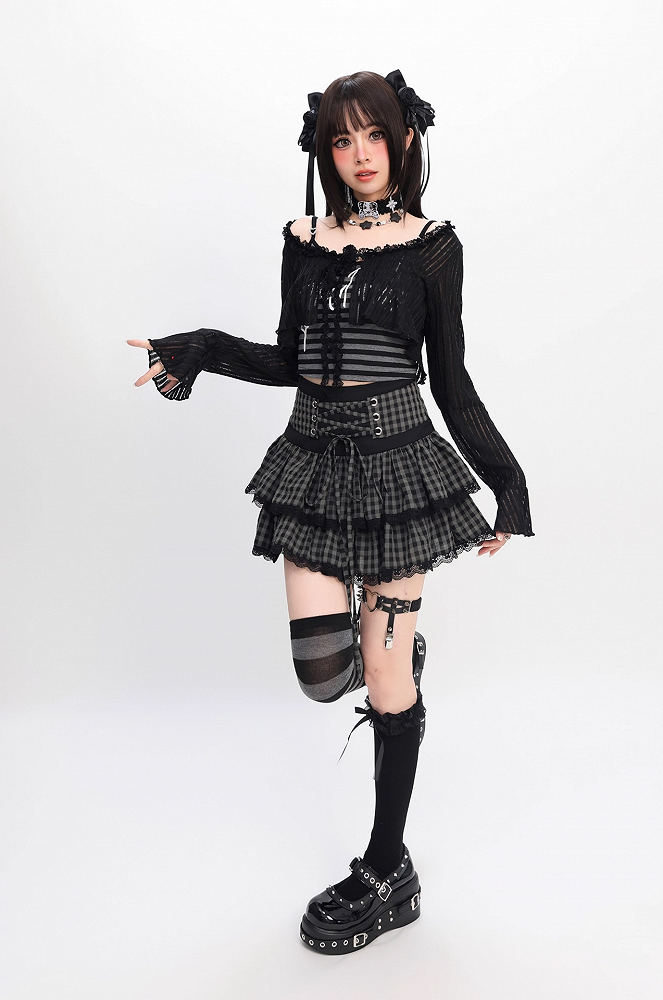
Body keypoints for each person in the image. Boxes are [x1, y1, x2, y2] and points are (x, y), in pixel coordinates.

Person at [128, 69, 533, 954]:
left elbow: (452, 381)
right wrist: (200, 348)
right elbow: (289, 359)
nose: (360, 154)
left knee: (385, 681)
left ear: (404, 140)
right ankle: (397, 658)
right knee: (320, 674)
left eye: (374, 135)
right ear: (326, 151)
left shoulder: (434, 248)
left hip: (398, 471)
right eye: (342, 140)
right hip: (311, 466)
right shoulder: (303, 241)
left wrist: (507, 482)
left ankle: (389, 867)